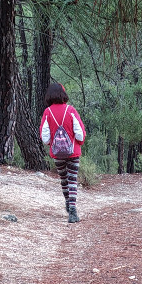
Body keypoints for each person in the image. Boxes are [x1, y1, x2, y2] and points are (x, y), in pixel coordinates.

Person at [40, 82, 86, 223]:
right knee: (72, 179)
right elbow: (80, 135)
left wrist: (52, 144)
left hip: (57, 153)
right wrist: (78, 142)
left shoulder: (47, 112)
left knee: (64, 179)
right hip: (73, 152)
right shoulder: (71, 110)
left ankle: (67, 202)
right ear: (63, 94)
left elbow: (45, 137)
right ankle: (72, 210)